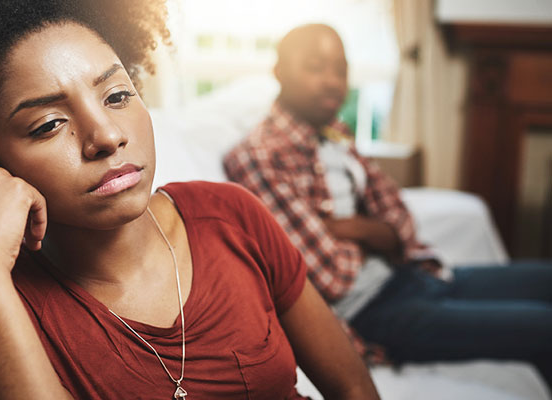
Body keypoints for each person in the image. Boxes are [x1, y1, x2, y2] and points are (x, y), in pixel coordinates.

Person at [0, 3, 380, 399]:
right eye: (48, 124)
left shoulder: (233, 216)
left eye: (117, 96)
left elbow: (355, 389)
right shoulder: (9, 303)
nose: (106, 136)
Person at [223, 23, 552, 388]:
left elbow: (401, 220)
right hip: (376, 312)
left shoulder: (335, 134)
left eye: (341, 69)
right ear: (280, 72)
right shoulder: (259, 155)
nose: (332, 81)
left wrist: (356, 228)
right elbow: (331, 276)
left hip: (417, 275)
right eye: (316, 67)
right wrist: (378, 233)